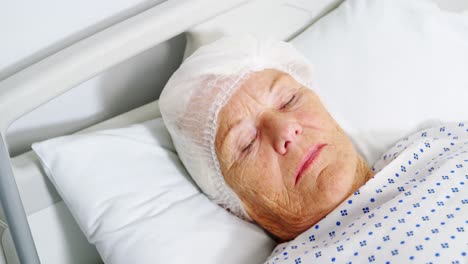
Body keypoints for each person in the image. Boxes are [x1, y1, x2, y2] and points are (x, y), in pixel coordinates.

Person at [160, 36, 467, 263]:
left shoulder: (436, 142)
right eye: (247, 143)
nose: (284, 130)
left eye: (288, 100)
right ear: (237, 204)